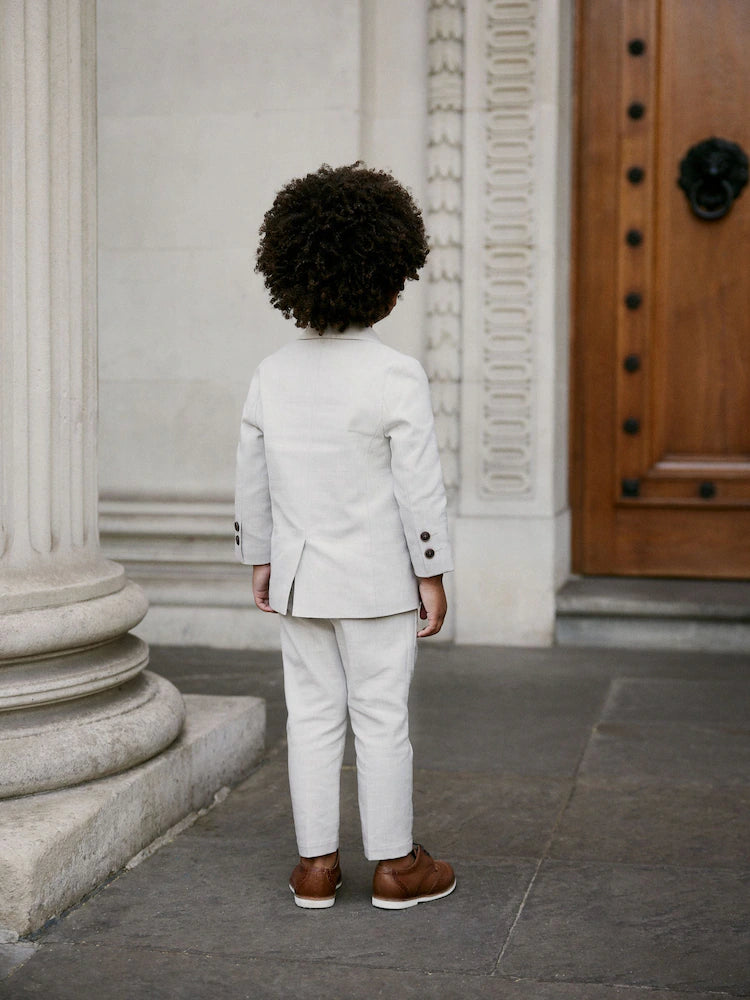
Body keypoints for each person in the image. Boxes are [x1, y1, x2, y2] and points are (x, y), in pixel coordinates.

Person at [235, 162, 455, 910]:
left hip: (301, 581)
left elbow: (253, 478)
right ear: (388, 277)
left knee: (313, 714)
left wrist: (260, 559)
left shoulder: (271, 372)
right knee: (382, 716)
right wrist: (432, 570)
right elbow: (416, 485)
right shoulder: (396, 375)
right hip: (377, 582)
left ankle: (315, 867)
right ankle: (395, 865)